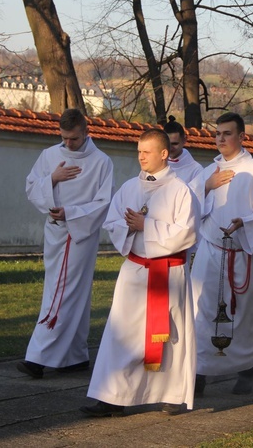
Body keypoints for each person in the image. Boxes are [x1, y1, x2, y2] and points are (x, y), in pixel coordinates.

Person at [81, 129, 198, 417]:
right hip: (135, 271)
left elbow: (188, 234)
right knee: (123, 334)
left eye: (146, 152)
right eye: (138, 152)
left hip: (168, 273)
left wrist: (147, 226)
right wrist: (129, 227)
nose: (141, 157)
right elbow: (112, 222)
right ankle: (112, 396)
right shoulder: (129, 188)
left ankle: (172, 395)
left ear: (163, 154)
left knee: (169, 337)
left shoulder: (180, 190)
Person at [19, 108, 114, 379]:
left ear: (86, 132)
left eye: (73, 138)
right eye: (64, 138)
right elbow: (30, 187)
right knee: (70, 292)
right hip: (55, 232)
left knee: (62, 292)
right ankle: (74, 355)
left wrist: (70, 213)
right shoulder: (50, 155)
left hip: (80, 235)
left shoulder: (101, 162)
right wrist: (52, 179)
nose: (68, 144)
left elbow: (104, 202)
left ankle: (37, 357)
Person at [190, 112, 253, 395]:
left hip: (242, 252)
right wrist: (207, 187)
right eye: (217, 134)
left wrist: (246, 223)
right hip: (210, 250)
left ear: (241, 136)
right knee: (202, 310)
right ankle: (199, 373)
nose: (220, 139)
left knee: (242, 313)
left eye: (227, 133)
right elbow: (187, 207)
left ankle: (245, 369)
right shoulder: (207, 172)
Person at [164, 116, 205, 208]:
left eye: (175, 143)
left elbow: (197, 204)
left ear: (184, 140)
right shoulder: (155, 165)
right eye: (167, 144)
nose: (171, 148)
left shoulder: (197, 170)